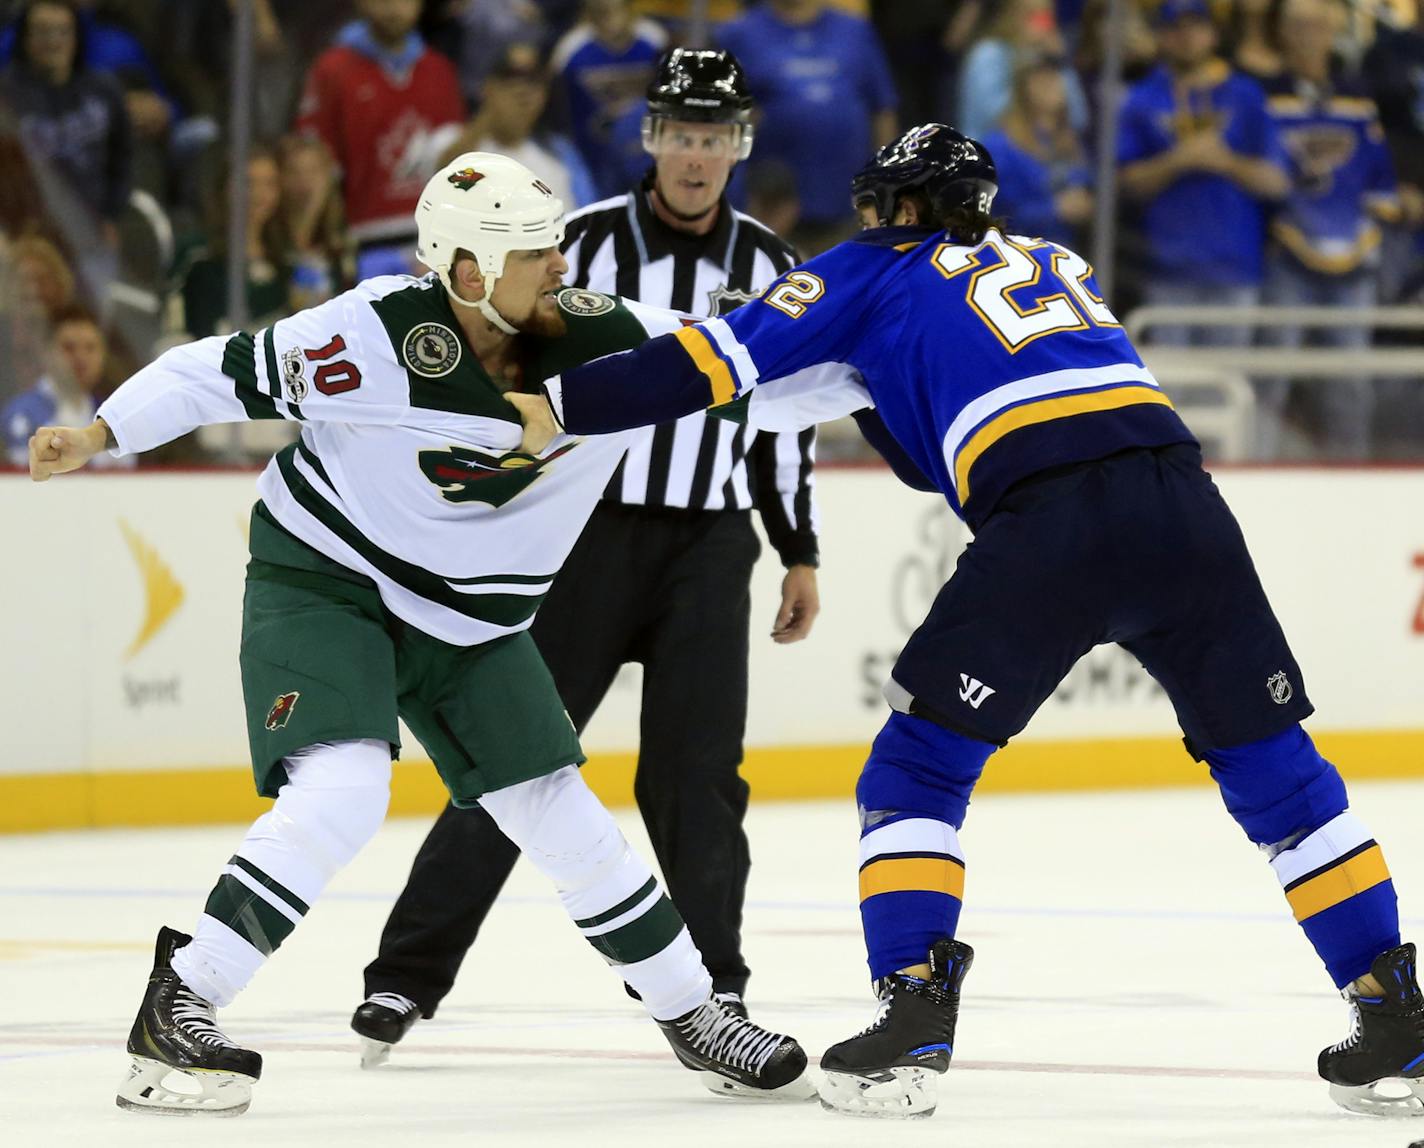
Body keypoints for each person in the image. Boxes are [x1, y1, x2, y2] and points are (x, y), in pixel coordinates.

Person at [509, 123, 1424, 1121]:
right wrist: (854, 380)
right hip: (1182, 502)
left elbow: (699, 365)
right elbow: (923, 440)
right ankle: (1394, 1010)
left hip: (1051, 516)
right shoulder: (1050, 259)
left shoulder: (866, 265)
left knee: (914, 771)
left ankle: (912, 1014)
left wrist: (549, 403)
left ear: (901, 203)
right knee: (1277, 772)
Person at [26, 151, 813, 1116]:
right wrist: (103, 433)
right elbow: (212, 372)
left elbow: (765, 378)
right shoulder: (369, 337)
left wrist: (899, 376)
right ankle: (182, 1003)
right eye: (533, 252)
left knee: (561, 811)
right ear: (469, 273)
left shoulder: (610, 340)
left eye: (556, 242)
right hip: (330, 581)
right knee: (346, 788)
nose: (560, 265)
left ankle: (697, 1014)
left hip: (470, 619)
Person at [350, 47, 820, 1063]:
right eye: (681, 134)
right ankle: (402, 978)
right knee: (512, 756)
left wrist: (797, 548)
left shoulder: (773, 266)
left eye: (715, 137)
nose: (696, 157)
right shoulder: (582, 246)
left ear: (738, 147)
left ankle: (715, 995)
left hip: (709, 540)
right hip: (584, 538)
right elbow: (502, 363)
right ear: (650, 138)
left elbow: (784, 420)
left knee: (698, 779)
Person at [1257, 0, 1402, 459]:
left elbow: (1377, 171)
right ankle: (1250, 470)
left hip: (1353, 252)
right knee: (1270, 378)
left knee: (1349, 382)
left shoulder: (1357, 97)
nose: (1307, 35)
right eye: (1298, 25)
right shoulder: (1263, 95)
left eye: (1317, 25)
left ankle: (1352, 473)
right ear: (1281, 32)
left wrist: (1383, 209)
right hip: (1288, 250)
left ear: (1333, 31)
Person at [1117, 0, 1290, 347]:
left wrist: (1225, 162)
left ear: (1213, 34)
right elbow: (1124, 184)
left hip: (1235, 266)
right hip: (1168, 267)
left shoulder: (1246, 94)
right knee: (1173, 390)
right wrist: (1178, 161)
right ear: (1161, 37)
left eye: (1196, 26)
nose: (1187, 37)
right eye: (1175, 28)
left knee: (1230, 385)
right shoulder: (1142, 99)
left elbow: (1278, 181)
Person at [294, 0, 464, 280]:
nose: (394, 8)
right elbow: (317, 162)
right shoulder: (332, 70)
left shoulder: (439, 70)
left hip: (432, 239)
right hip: (359, 239)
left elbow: (454, 161)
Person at [717, 0, 899, 254]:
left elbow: (882, 108)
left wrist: (886, 182)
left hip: (848, 205)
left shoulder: (856, 30)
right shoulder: (738, 34)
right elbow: (720, 119)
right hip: (767, 210)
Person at [2, 304, 127, 467]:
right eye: (69, 348)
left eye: (90, 348)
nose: (81, 358)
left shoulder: (112, 413)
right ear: (47, 353)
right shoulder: (21, 413)